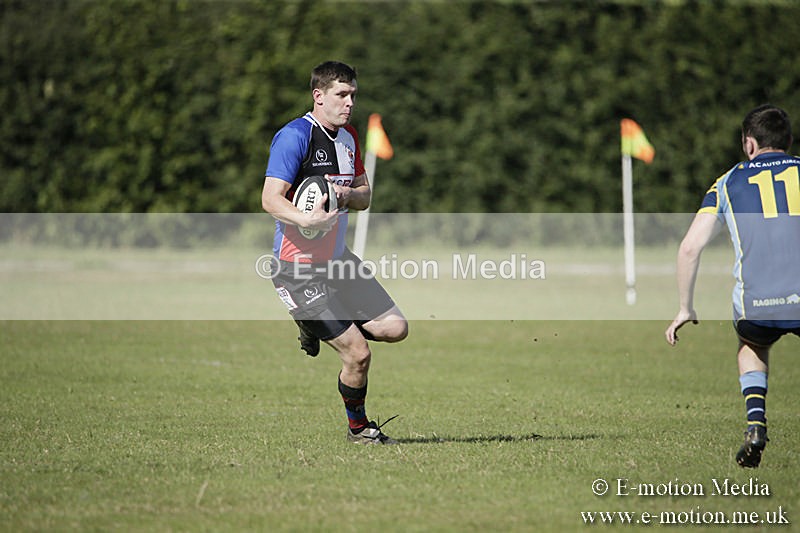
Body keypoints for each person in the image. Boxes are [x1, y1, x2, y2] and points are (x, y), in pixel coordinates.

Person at [261, 61, 408, 445]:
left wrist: (346, 194)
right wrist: (307, 219)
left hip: (337, 262)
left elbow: (365, 196)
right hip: (297, 269)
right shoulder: (294, 136)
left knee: (395, 328)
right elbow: (270, 200)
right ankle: (358, 429)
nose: (349, 103)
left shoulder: (349, 138)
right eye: (341, 95)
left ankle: (316, 324)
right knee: (357, 355)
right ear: (319, 95)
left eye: (353, 96)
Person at [665, 104, 800, 468]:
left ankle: (756, 423)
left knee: (752, 345)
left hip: (757, 304)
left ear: (749, 144)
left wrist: (685, 307)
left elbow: (690, 247)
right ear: (787, 141)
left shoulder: (727, 182)